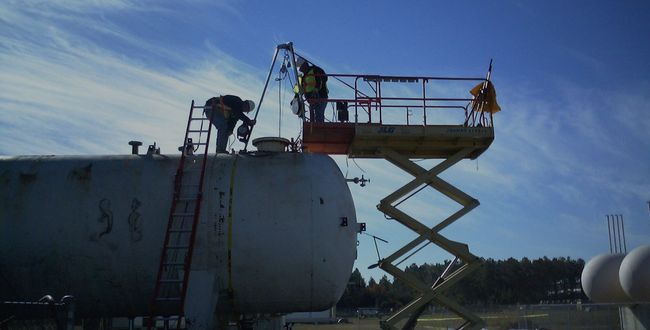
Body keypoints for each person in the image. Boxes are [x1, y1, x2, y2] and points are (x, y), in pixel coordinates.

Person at [296, 57, 328, 122]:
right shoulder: (303, 76)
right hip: (311, 99)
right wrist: (296, 97)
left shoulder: (315, 70)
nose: (300, 70)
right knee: (314, 117)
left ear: (304, 65)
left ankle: (319, 128)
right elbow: (301, 89)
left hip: (321, 97)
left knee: (318, 116)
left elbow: (323, 79)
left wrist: (316, 89)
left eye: (301, 68)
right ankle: (314, 126)